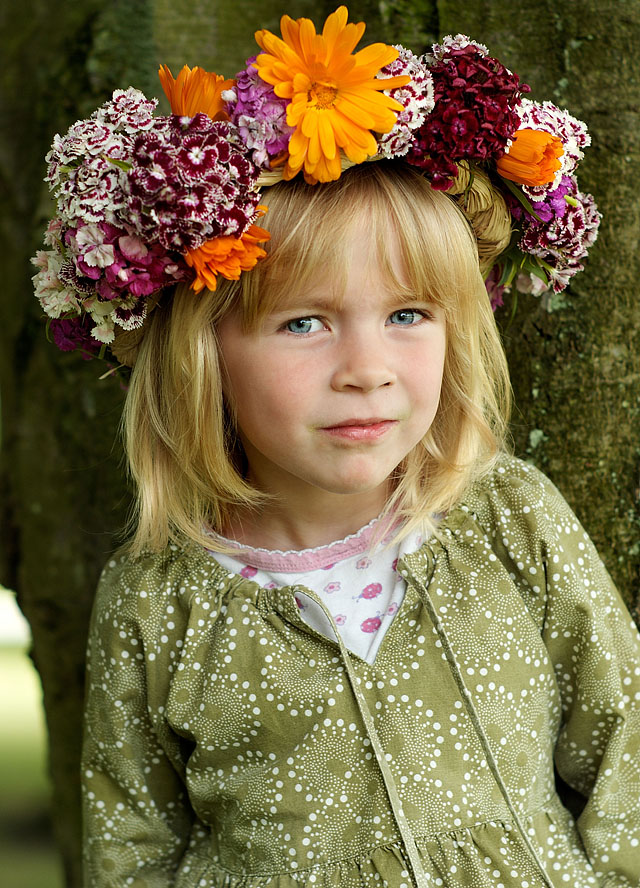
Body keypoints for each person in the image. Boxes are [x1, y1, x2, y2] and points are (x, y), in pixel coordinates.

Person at [33, 8, 639, 887]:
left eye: (406, 316)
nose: (366, 370)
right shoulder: (156, 600)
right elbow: (132, 850)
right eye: (304, 322)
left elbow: (627, 752)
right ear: (204, 355)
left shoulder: (508, 520)